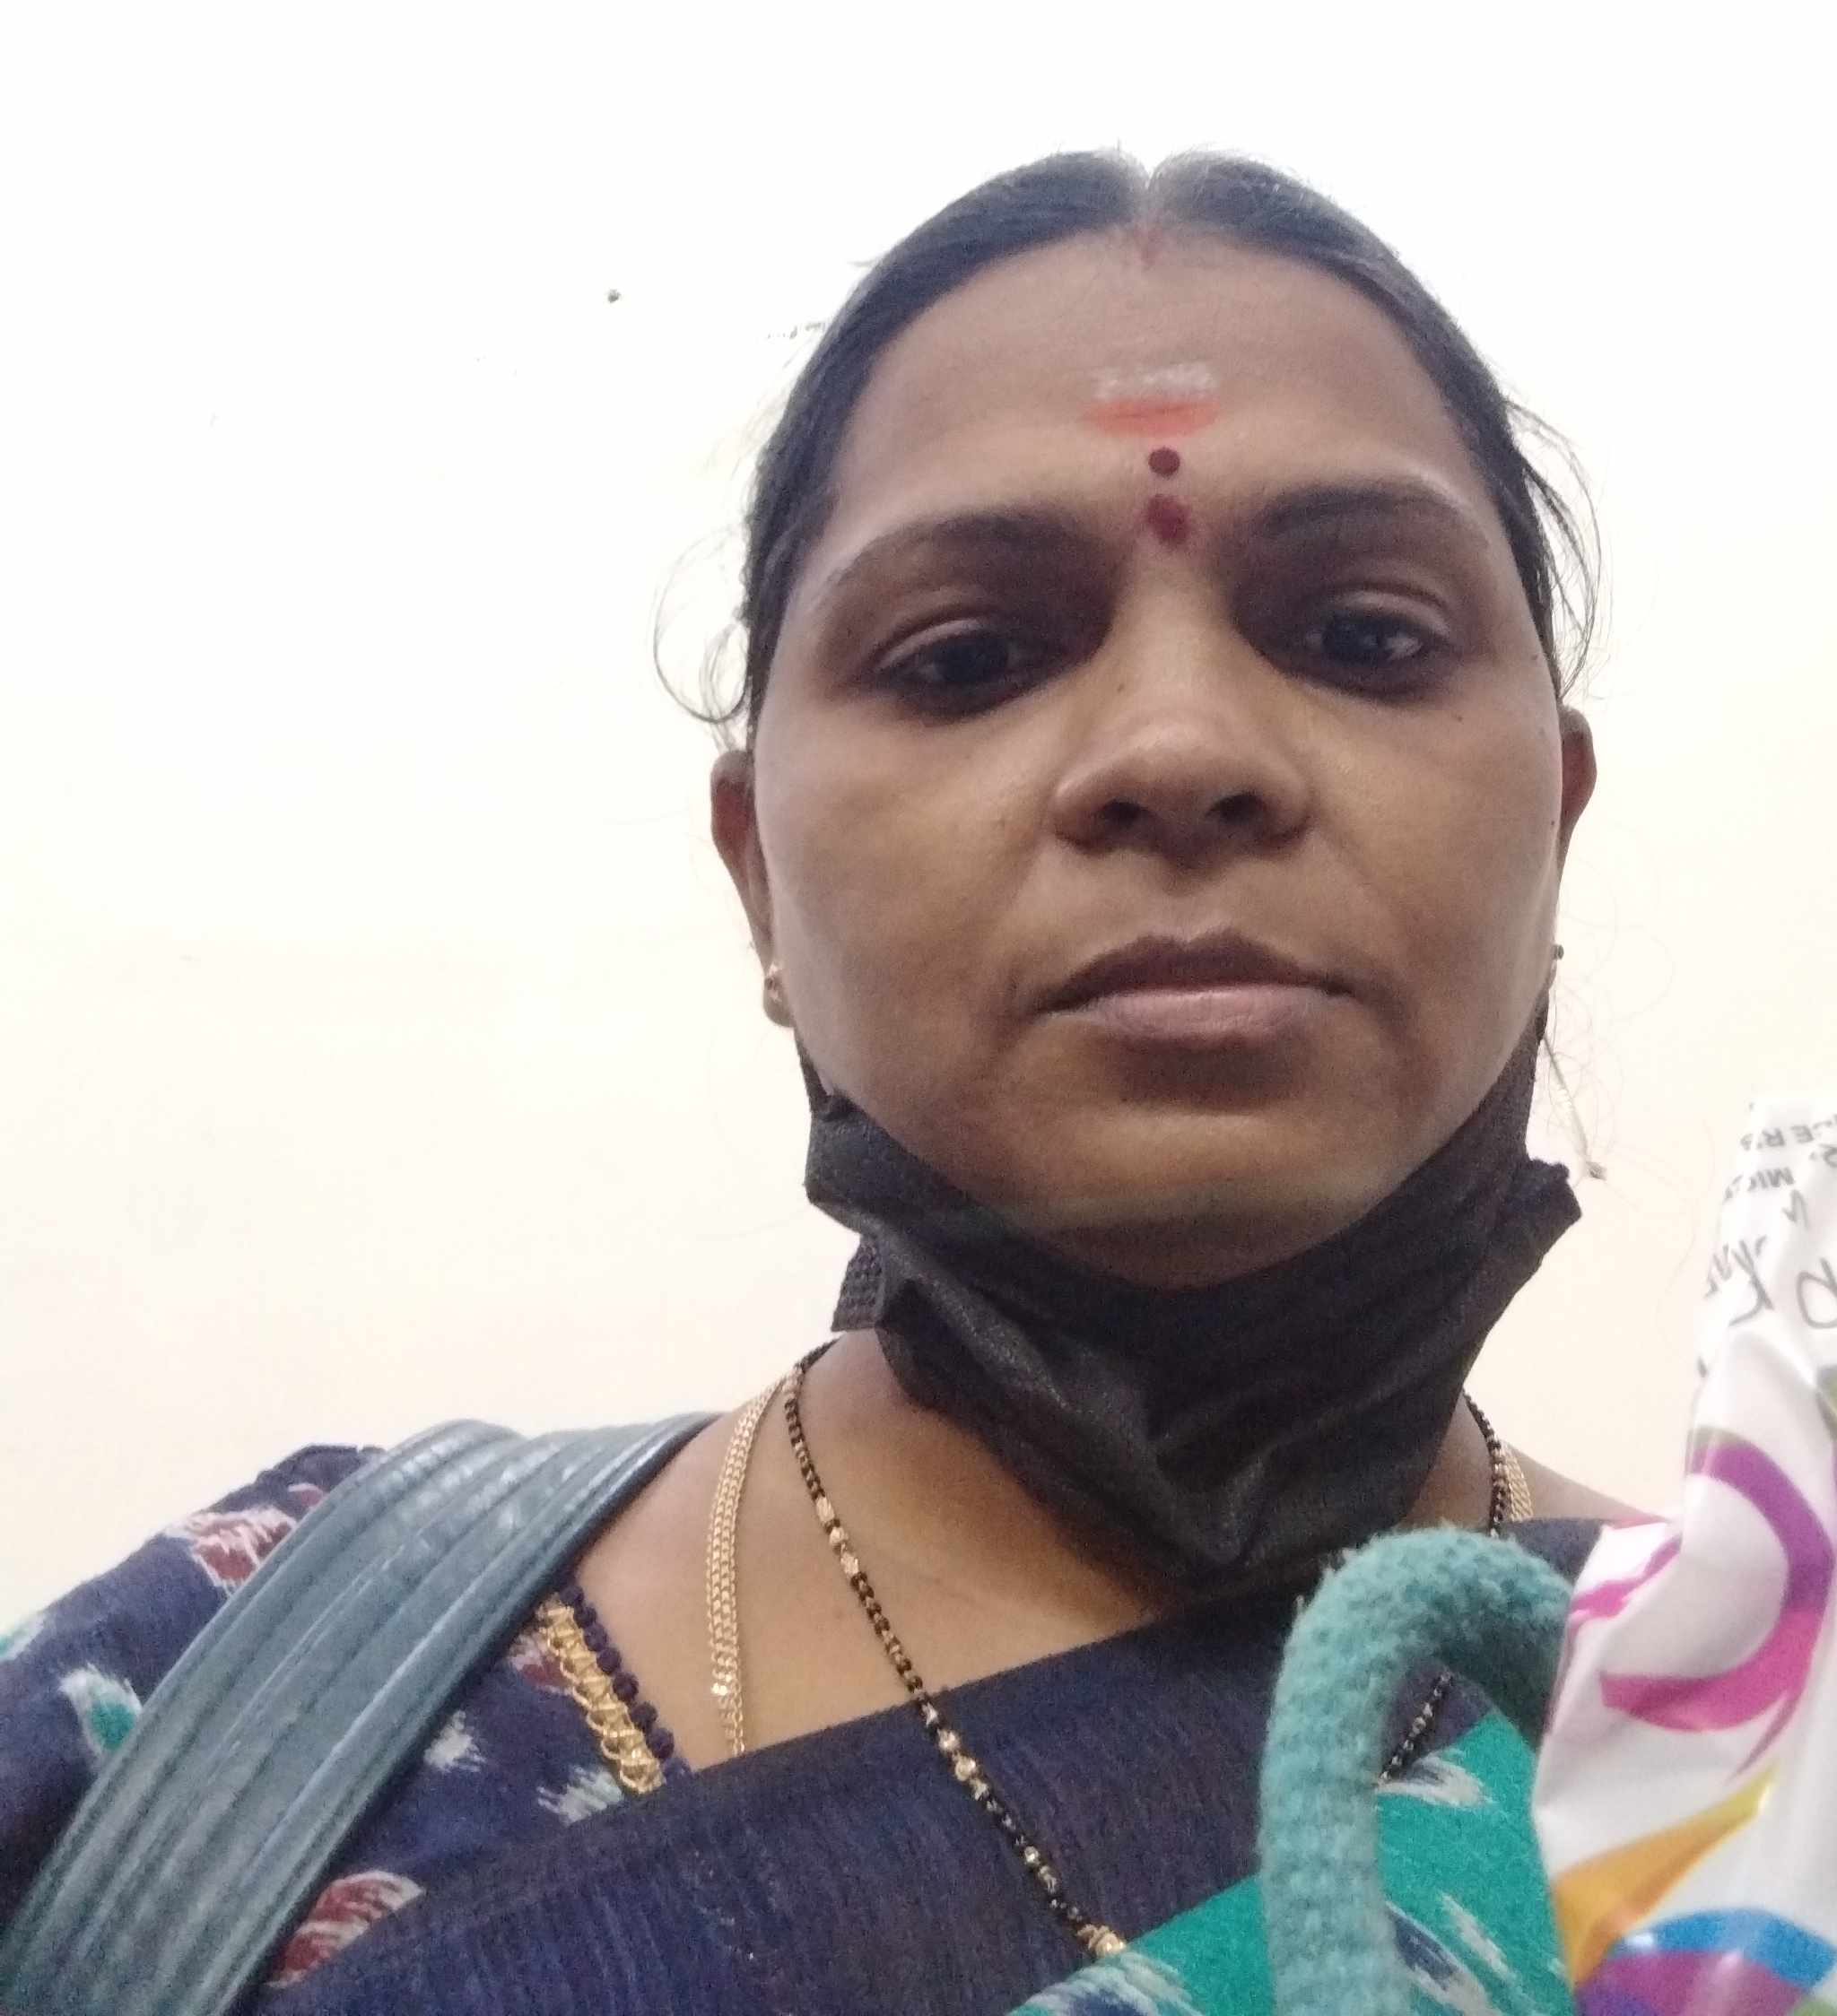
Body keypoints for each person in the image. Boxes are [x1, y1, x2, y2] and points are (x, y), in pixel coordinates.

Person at [0, 150, 1641, 2013]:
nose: (1181, 749)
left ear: (1559, 818)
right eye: (969, 656)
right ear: (756, 871)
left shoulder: (1831, 1765)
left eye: (1363, 638)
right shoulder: (231, 1717)